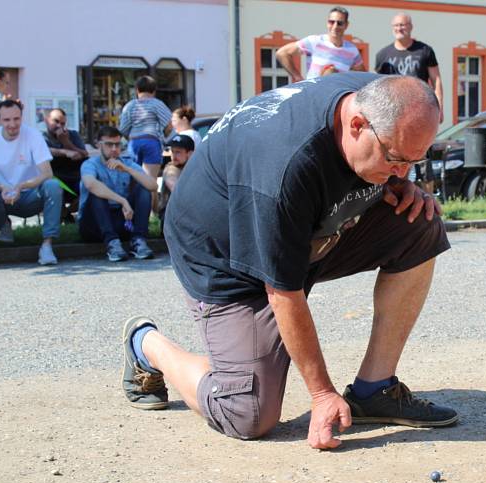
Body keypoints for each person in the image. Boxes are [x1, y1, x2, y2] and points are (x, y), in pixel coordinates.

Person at [120, 73, 458, 450]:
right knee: (247, 413)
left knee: (418, 224)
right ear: (357, 125)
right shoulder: (282, 168)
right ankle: (147, 346)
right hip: (220, 253)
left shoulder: (381, 98)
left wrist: (399, 182)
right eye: (395, 159)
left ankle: (373, 388)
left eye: (414, 160)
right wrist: (322, 394)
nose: (404, 172)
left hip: (302, 227)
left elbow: (390, 163)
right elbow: (283, 292)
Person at [375, 12, 443, 194]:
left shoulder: (425, 51)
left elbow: (436, 80)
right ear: (392, 28)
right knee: (394, 159)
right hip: (394, 118)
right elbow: (377, 86)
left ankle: (429, 200)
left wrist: (439, 107)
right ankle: (392, 199)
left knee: (424, 162)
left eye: (403, 25)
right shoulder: (383, 55)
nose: (400, 29)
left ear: (411, 27)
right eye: (396, 26)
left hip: (421, 114)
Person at [0, 100, 61, 265]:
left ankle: (47, 245)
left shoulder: (33, 135)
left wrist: (22, 186)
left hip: (30, 195)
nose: (12, 124)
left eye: (16, 118)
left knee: (53, 185)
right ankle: (4, 226)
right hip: (2, 195)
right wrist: (3, 188)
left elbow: (47, 173)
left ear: (22, 117)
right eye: (7, 120)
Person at [78, 126, 157, 262]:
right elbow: (90, 184)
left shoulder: (127, 163)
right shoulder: (90, 164)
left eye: (117, 144)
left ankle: (138, 241)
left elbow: (153, 185)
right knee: (97, 193)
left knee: (143, 189)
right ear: (98, 145)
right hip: (94, 224)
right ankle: (112, 244)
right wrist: (122, 201)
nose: (114, 149)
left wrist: (127, 169)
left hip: (122, 221)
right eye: (109, 144)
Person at [276, 6, 365, 82]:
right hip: (313, 96)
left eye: (340, 23)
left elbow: (362, 76)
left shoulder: (352, 50)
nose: (335, 26)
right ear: (327, 23)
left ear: (346, 25)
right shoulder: (314, 42)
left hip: (336, 98)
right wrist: (297, 77)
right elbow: (282, 53)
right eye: (331, 22)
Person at [119, 76, 171, 188]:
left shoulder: (129, 106)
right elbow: (168, 124)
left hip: (133, 143)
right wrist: (165, 136)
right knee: (151, 182)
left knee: (134, 180)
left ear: (137, 90)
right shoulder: (157, 104)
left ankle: (136, 205)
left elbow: (123, 129)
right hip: (152, 142)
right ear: (154, 91)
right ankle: (152, 206)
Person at [42, 107, 89, 220]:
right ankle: (63, 215)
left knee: (91, 186)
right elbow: (43, 151)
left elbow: (84, 154)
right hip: (57, 179)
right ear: (46, 120)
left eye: (62, 123)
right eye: (56, 121)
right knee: (53, 186)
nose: (59, 126)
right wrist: (64, 152)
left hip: (76, 178)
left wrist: (66, 142)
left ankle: (66, 213)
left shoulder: (73, 134)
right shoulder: (41, 137)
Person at [157, 133, 194, 230]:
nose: (173, 156)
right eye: (172, 152)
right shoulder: (170, 168)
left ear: (190, 153)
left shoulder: (197, 168)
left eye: (178, 152)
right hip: (170, 216)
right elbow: (176, 190)